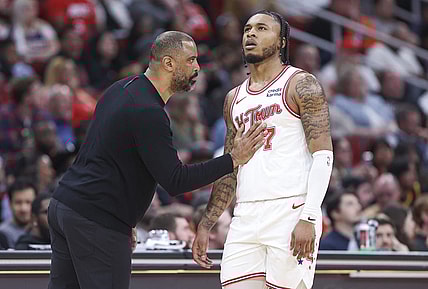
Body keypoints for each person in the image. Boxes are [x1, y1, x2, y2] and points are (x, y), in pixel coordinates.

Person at [47, 30, 266, 289]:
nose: (197, 67)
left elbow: (101, 154)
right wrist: (232, 159)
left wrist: (125, 218)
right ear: (169, 63)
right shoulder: (149, 112)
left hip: (66, 206)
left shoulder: (121, 88)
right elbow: (175, 180)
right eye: (191, 60)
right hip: (97, 220)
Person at [192, 10, 333, 289]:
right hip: (245, 215)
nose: (251, 34)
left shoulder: (300, 84)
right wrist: (207, 222)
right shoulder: (234, 98)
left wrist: (309, 216)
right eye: (247, 29)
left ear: (281, 41)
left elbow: (324, 155)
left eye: (261, 28)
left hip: (291, 209)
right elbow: (229, 166)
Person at [0, 178, 37, 249]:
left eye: (28, 202)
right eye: (18, 202)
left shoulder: (45, 231)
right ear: (10, 204)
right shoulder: (2, 233)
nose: (24, 208)